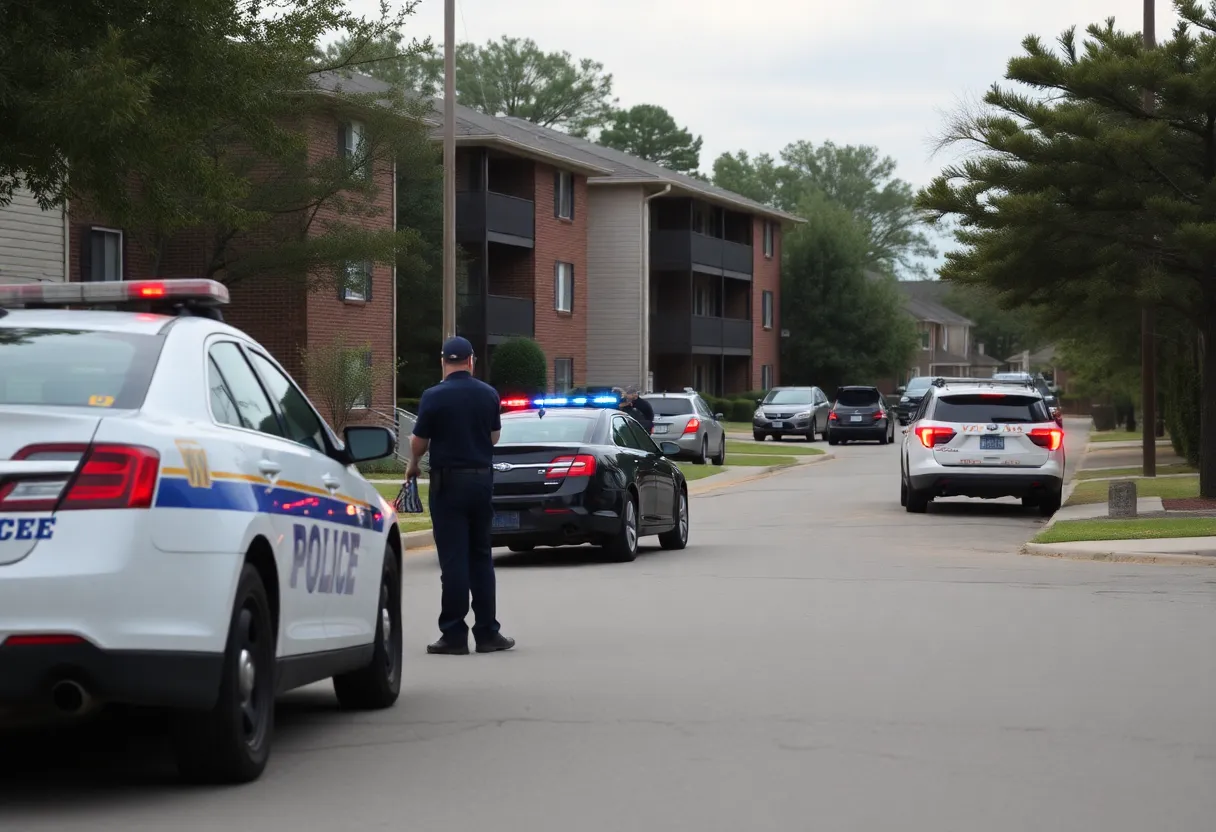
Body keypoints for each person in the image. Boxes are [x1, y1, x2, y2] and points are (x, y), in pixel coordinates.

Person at [408, 336, 515, 656]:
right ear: (471, 362)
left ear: (444, 362)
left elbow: (419, 441)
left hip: (447, 483)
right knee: (481, 557)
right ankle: (487, 632)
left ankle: (454, 634)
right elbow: (494, 436)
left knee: (453, 560)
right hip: (481, 482)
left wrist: (413, 465)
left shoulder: (433, 396)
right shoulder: (488, 394)